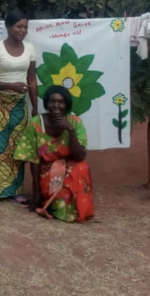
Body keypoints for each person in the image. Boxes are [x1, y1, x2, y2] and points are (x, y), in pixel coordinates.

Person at [14, 85, 95, 223]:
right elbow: (34, 159)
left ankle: (77, 207)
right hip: (48, 172)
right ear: (46, 103)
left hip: (71, 169)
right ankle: (52, 201)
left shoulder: (75, 123)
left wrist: (70, 131)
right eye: (52, 101)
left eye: (60, 102)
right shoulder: (36, 123)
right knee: (62, 200)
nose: (56, 106)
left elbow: (80, 157)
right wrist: (36, 192)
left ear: (66, 104)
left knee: (81, 167)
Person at [0, 10, 38, 205]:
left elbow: (31, 79)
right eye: (19, 26)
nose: (23, 30)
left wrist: (35, 106)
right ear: (8, 27)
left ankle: (15, 191)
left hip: (19, 106)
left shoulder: (30, 48)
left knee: (17, 148)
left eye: (25, 27)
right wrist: (11, 86)